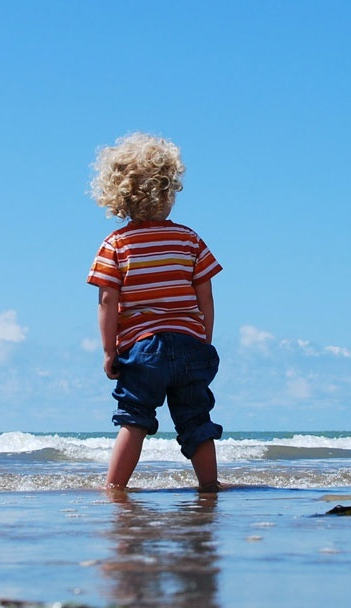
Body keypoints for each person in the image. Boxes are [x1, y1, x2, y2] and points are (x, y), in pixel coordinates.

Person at [87, 132, 224, 492]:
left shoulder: (116, 245)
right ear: (169, 190)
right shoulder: (189, 239)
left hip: (143, 350)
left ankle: (115, 488)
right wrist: (203, 337)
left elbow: (107, 302)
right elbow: (205, 295)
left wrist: (109, 351)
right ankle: (209, 486)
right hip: (191, 345)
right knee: (196, 419)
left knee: (134, 419)